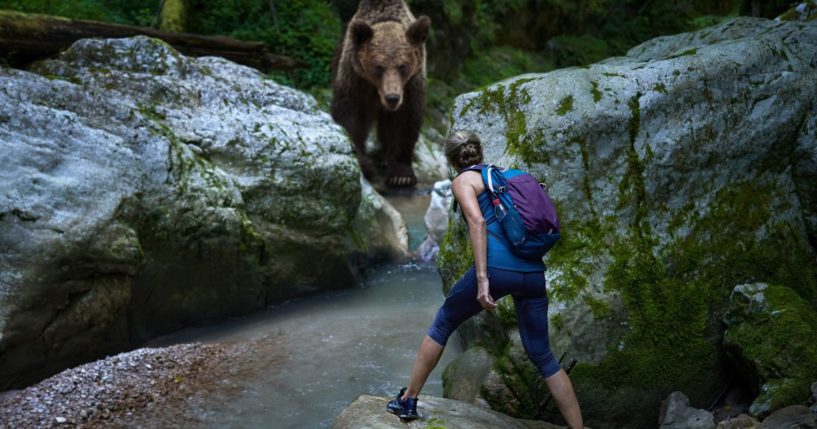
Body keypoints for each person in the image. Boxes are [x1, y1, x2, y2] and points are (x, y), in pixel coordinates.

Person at [386, 130, 584, 428]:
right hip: (532, 273)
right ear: (479, 151)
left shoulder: (463, 181)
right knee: (543, 356)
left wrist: (482, 280)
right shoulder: (508, 176)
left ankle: (408, 400)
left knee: (444, 321)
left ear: (452, 160)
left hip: (497, 270)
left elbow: (477, 222)